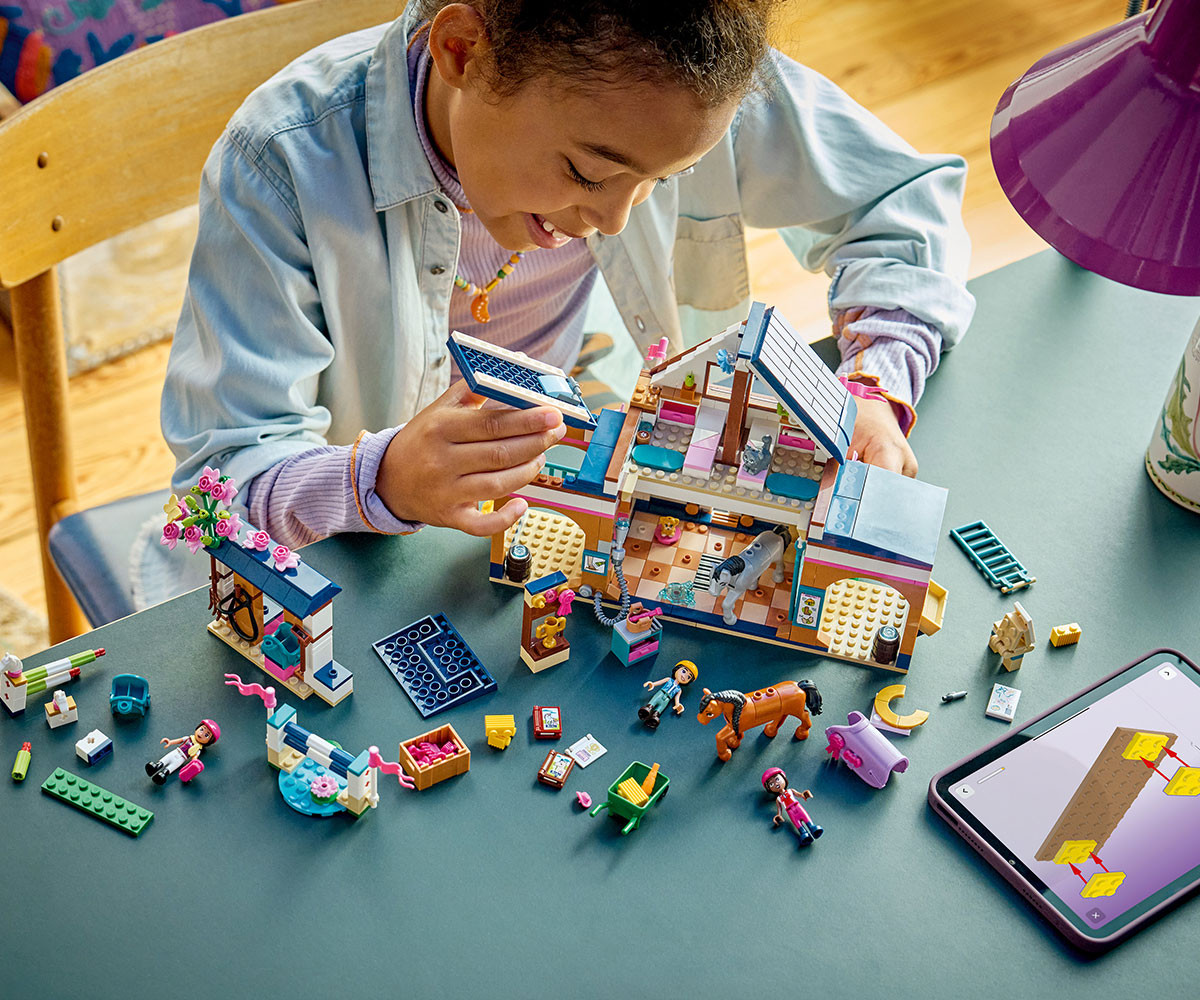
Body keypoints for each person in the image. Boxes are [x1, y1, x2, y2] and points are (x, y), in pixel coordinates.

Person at [161, 1, 975, 551]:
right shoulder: (281, 165)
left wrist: (874, 385)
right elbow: (216, 487)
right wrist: (384, 479)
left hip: (561, 498)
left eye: (663, 181)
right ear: (461, 50)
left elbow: (903, 202)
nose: (616, 219)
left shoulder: (675, 86)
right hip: (355, 552)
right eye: (588, 173)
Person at [762, 766, 823, 847]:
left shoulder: (790, 791)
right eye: (771, 784)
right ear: (769, 788)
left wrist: (804, 795)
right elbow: (779, 808)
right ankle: (804, 834)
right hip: (790, 811)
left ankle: (813, 828)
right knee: (797, 823)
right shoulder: (778, 799)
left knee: (805, 817)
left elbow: (799, 794)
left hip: (797, 806)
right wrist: (779, 815)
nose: (776, 784)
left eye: (777, 779)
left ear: (784, 778)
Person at [146, 719, 220, 784]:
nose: (201, 734)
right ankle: (155, 766)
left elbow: (194, 759)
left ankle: (162, 775)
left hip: (182, 759)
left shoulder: (198, 749)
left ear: (209, 742)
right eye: (202, 729)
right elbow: (179, 740)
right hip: (176, 751)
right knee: (165, 759)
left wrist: (193, 767)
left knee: (171, 767)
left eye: (206, 735)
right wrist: (170, 742)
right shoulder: (188, 738)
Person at [638, 659, 698, 729]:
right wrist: (653, 684)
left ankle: (654, 718)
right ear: (677, 669)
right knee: (653, 701)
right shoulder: (668, 679)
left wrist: (678, 705)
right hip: (661, 693)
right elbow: (660, 682)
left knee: (660, 709)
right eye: (683, 671)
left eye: (688, 677)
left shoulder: (679, 690)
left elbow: (677, 699)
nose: (684, 676)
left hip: (667, 699)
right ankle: (647, 709)